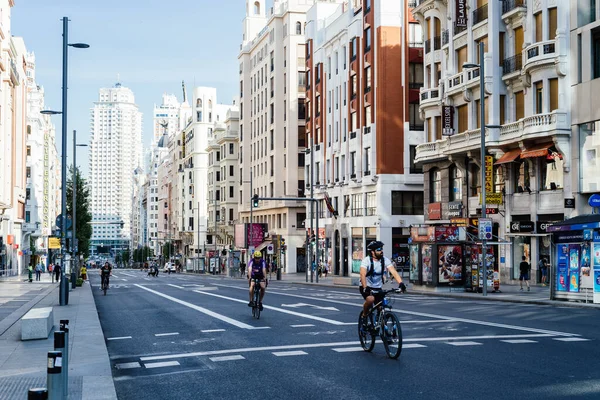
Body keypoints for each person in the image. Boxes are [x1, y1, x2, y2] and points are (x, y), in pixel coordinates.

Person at [359, 241, 406, 326]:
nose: (381, 251)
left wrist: (401, 283)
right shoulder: (366, 261)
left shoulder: (385, 260)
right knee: (370, 299)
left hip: (377, 287)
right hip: (366, 286)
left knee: (381, 306)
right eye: (379, 249)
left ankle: (383, 330)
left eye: (382, 249)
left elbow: (394, 272)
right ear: (372, 252)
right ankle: (364, 315)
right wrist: (365, 287)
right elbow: (362, 274)